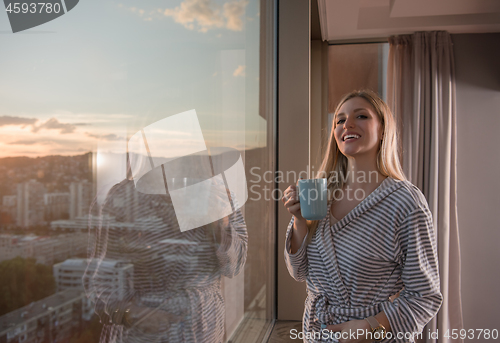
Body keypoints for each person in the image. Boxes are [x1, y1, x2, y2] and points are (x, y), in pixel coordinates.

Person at [282, 90, 442, 343]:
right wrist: (300, 221)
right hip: (317, 335)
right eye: (340, 120)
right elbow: (299, 272)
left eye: (362, 116)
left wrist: (370, 326)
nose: (348, 124)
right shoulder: (321, 193)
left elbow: (425, 295)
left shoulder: (405, 201)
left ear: (382, 130)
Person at [85, 173, 247, 343]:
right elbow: (100, 275)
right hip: (139, 332)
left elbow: (235, 266)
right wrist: (132, 315)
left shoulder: (219, 192)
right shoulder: (120, 195)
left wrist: (220, 223)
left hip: (202, 329)